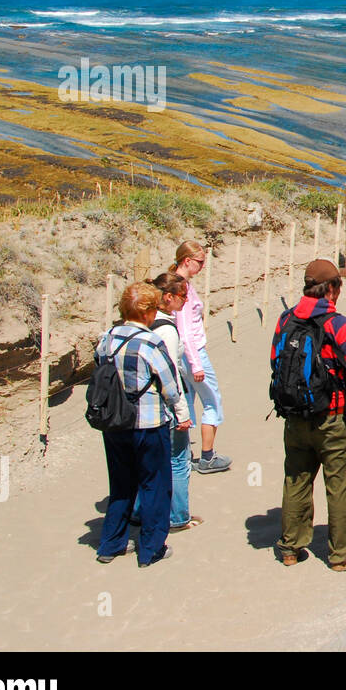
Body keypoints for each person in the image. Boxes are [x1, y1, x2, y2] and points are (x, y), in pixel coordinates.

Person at [270, 258, 346, 572]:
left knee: (296, 480)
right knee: (339, 485)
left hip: (294, 416)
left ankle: (291, 546)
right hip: (333, 418)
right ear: (331, 289)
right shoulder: (337, 323)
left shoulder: (285, 319)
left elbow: (275, 361)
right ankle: (342, 554)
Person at [95, 282, 183, 568]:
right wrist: (179, 410)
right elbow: (170, 386)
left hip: (114, 423)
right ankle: (151, 548)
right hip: (148, 422)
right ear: (146, 312)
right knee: (155, 485)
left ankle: (111, 543)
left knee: (120, 484)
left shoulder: (107, 338)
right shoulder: (150, 342)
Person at [135, 272, 202, 532]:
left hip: (146, 405)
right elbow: (171, 374)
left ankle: (139, 511)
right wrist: (183, 413)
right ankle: (178, 516)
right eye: (183, 295)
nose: (186, 300)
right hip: (168, 405)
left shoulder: (145, 322)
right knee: (178, 459)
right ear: (168, 297)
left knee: (147, 460)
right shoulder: (167, 330)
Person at [171, 241, 231, 474]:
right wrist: (196, 364)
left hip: (182, 355)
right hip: (192, 354)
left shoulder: (175, 283)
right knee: (212, 401)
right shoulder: (181, 288)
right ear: (187, 261)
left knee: (186, 402)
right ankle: (207, 456)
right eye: (200, 262)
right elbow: (185, 330)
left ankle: (182, 455)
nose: (203, 266)